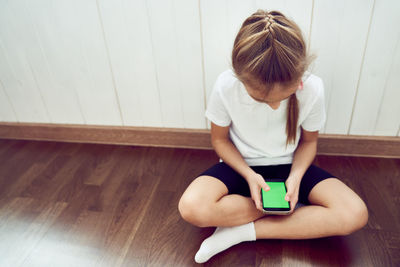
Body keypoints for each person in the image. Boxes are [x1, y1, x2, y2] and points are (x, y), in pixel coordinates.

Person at [178, 9, 368, 264]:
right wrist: (249, 175)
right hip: (241, 167)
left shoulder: (313, 88)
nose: (274, 107)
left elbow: (309, 143)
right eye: (261, 99)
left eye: (283, 97)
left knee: (354, 213)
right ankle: (295, 214)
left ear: (298, 78)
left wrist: (296, 178)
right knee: (191, 207)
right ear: (240, 77)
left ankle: (242, 232)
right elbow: (220, 140)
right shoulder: (226, 86)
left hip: (290, 167)